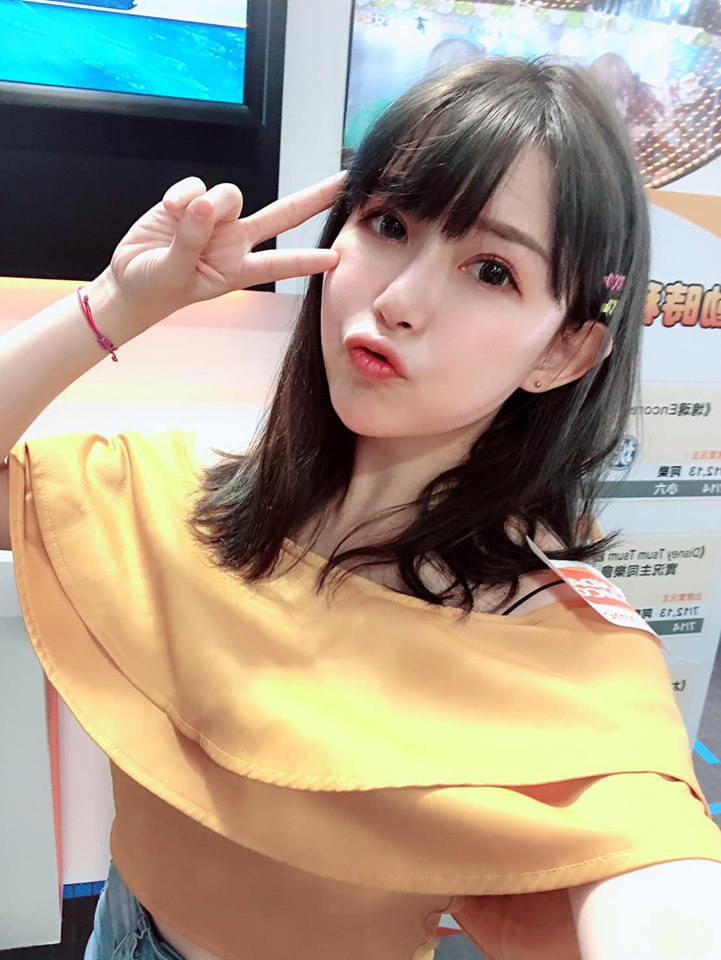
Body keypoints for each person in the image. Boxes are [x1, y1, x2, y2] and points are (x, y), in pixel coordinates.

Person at [1, 56, 720, 960]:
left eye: (491, 270)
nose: (399, 299)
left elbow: (659, 874)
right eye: (387, 224)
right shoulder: (180, 495)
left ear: (563, 352)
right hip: (117, 931)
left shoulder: (561, 649)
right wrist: (114, 303)